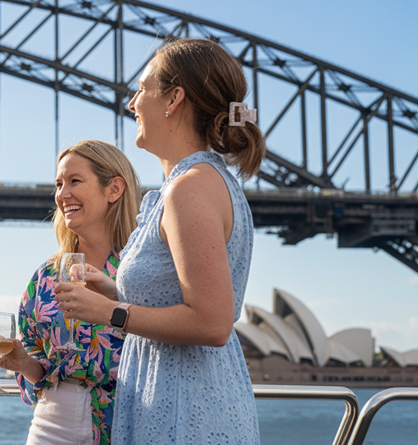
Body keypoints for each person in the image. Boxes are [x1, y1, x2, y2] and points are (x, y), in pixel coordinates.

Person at [56, 38, 265, 444]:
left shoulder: (191, 188)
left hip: (184, 410)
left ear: (174, 99)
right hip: (178, 399)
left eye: (142, 89)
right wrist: (114, 288)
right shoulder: (199, 182)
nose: (132, 103)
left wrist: (111, 311)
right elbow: (181, 298)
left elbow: (211, 322)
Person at [0, 140, 140, 445]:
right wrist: (22, 362)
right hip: (51, 426)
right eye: (58, 184)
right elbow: (37, 360)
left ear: (114, 189)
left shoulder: (140, 272)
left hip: (125, 423)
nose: (62, 194)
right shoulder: (44, 277)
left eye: (75, 181)